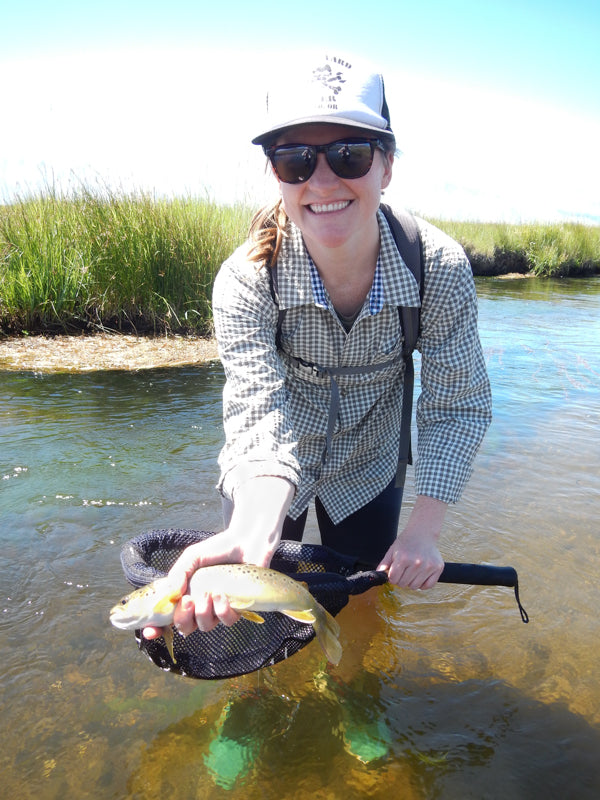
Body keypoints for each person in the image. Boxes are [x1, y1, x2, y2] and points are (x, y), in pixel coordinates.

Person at [144, 53, 492, 642]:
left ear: (387, 165)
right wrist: (255, 528)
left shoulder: (437, 268)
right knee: (248, 615)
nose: (323, 182)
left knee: (359, 613)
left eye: (350, 155)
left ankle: (350, 684)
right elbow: (256, 411)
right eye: (296, 159)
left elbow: (455, 404)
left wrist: (424, 530)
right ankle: (257, 690)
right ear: (275, 174)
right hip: (267, 475)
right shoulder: (245, 280)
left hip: (370, 466)